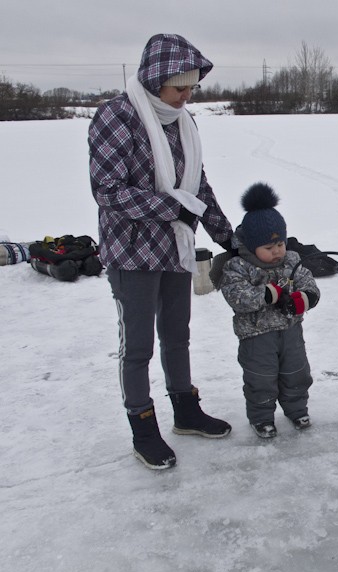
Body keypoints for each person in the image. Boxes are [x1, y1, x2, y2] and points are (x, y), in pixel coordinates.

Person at [88, 34, 235, 470]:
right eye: (179, 88)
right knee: (137, 348)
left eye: (192, 88)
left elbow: (198, 188)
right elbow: (108, 192)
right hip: (131, 252)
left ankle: (186, 412)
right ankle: (143, 427)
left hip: (174, 249)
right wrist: (173, 206)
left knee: (178, 335)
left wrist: (229, 236)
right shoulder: (116, 117)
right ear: (154, 81)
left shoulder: (184, 122)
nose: (187, 96)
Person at [218, 182, 320, 439]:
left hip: (290, 332)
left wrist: (303, 300)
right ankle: (262, 418)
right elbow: (236, 296)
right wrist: (267, 294)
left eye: (280, 245)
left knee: (297, 373)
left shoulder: (293, 261)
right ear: (252, 247)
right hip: (256, 337)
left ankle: (297, 409)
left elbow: (309, 285)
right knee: (260, 379)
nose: (277, 252)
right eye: (268, 248)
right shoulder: (238, 268)